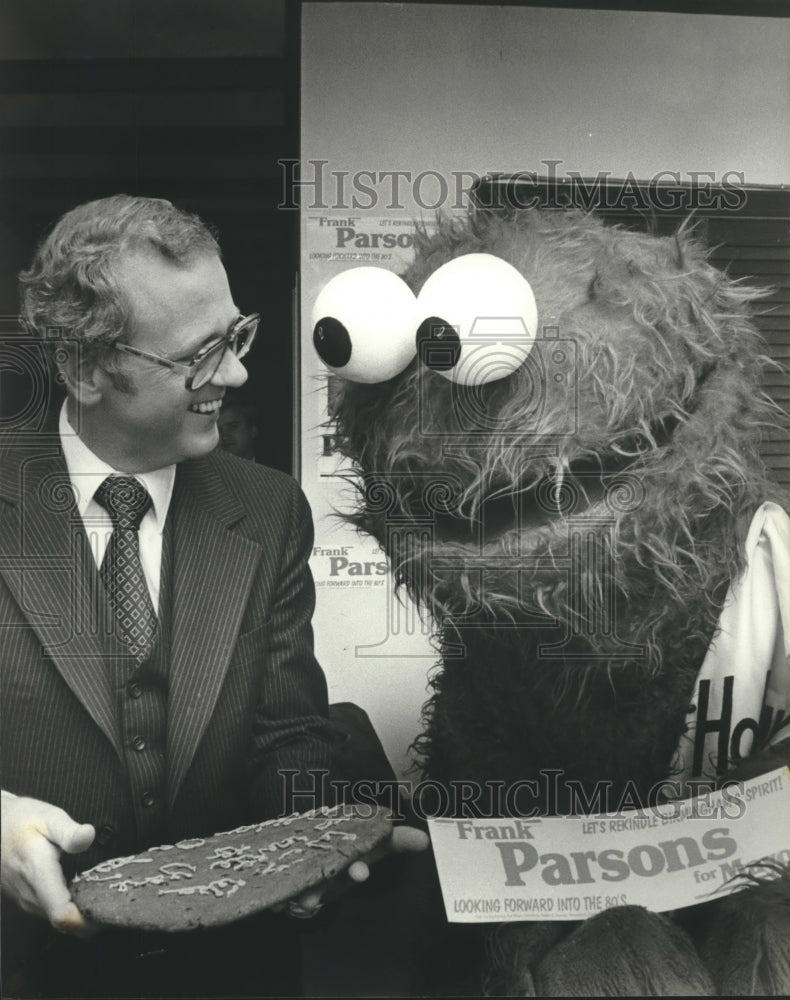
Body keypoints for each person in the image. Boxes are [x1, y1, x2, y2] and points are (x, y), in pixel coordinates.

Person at [0, 195, 426, 998]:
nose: (235, 372)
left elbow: (289, 731)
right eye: (200, 354)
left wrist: (318, 843)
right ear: (86, 368)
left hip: (234, 974)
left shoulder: (268, 511)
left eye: (237, 335)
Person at [218, 389, 259, 460]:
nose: (224, 437)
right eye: (218, 429)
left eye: (233, 426)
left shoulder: (275, 469)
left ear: (253, 431)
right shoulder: (204, 469)